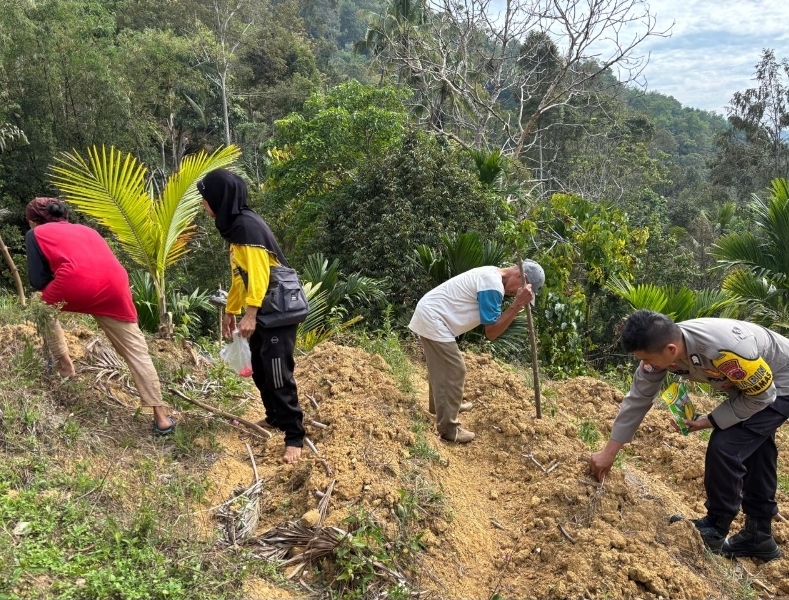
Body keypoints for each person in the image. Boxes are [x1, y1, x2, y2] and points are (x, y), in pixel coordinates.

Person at [590, 310, 789, 561]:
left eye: (648, 359)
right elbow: (639, 397)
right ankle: (759, 537)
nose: (646, 364)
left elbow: (763, 396)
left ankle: (715, 527)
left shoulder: (727, 351)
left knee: (725, 445)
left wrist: (711, 420)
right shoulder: (663, 345)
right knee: (755, 448)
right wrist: (609, 453)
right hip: (753, 389)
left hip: (780, 384)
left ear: (671, 350)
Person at [24, 197, 176, 435]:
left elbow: (37, 280)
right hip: (115, 285)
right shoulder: (88, 230)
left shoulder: (36, 233)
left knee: (41, 307)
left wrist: (59, 287)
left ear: (33, 220)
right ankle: (162, 417)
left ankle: (65, 367)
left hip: (73, 285)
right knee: (136, 350)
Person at [197, 169, 304, 464]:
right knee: (259, 365)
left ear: (220, 199)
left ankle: (295, 436)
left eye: (205, 199)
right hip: (264, 311)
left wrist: (250, 314)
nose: (203, 205)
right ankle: (274, 418)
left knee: (277, 371)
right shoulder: (236, 229)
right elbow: (239, 278)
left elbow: (259, 274)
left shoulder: (247, 228)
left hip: (276, 313)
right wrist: (231, 311)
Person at [408, 260, 544, 443]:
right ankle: (449, 429)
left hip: (432, 315)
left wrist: (517, 301)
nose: (514, 294)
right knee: (455, 369)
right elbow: (492, 332)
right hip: (433, 318)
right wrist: (517, 304)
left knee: (441, 367)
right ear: (520, 276)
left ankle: (446, 406)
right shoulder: (492, 286)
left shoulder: (492, 274)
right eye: (519, 290)